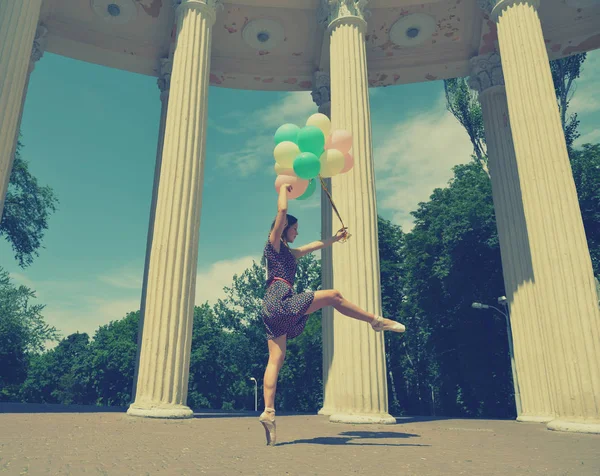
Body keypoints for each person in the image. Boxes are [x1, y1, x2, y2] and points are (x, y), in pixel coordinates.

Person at [258, 183, 406, 446]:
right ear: (284, 229)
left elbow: (314, 245)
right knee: (334, 295)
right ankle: (375, 320)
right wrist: (283, 187)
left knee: (276, 359)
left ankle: (268, 412)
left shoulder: (289, 253)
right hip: (281, 299)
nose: (297, 232)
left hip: (271, 309)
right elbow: (282, 209)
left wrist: (335, 239)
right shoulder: (274, 246)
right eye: (294, 228)